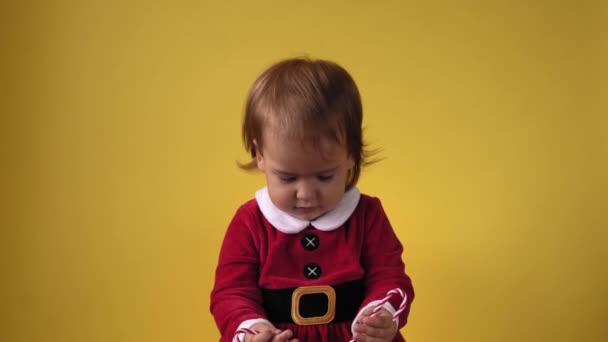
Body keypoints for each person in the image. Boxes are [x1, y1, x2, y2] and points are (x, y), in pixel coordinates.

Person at [210, 57, 414, 342]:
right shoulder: (249, 222)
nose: (305, 194)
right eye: (288, 178)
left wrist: (382, 314)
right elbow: (230, 292)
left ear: (351, 155)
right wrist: (252, 331)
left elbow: (391, 277)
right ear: (260, 156)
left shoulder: (367, 215)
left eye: (324, 177)